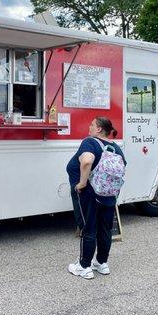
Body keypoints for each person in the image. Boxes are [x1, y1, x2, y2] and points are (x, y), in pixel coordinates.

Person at [65, 117, 126, 279]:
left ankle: (84, 267)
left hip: (90, 195)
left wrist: (82, 183)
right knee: (105, 229)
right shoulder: (116, 148)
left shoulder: (90, 142)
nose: (89, 127)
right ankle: (102, 263)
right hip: (108, 195)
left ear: (99, 129)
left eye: (92, 124)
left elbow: (86, 162)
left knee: (89, 228)